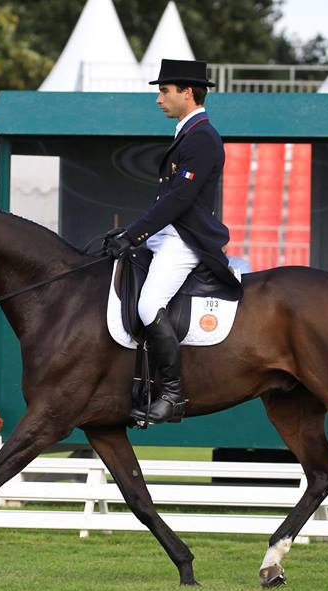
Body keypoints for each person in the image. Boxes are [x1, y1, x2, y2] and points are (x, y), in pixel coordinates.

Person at [104, 59, 242, 425]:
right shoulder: (187, 133)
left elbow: (179, 199)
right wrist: (127, 235)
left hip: (185, 239)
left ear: (187, 92)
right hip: (168, 233)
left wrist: (135, 233)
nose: (158, 99)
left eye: (164, 91)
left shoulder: (203, 137)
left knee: (149, 305)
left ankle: (172, 394)